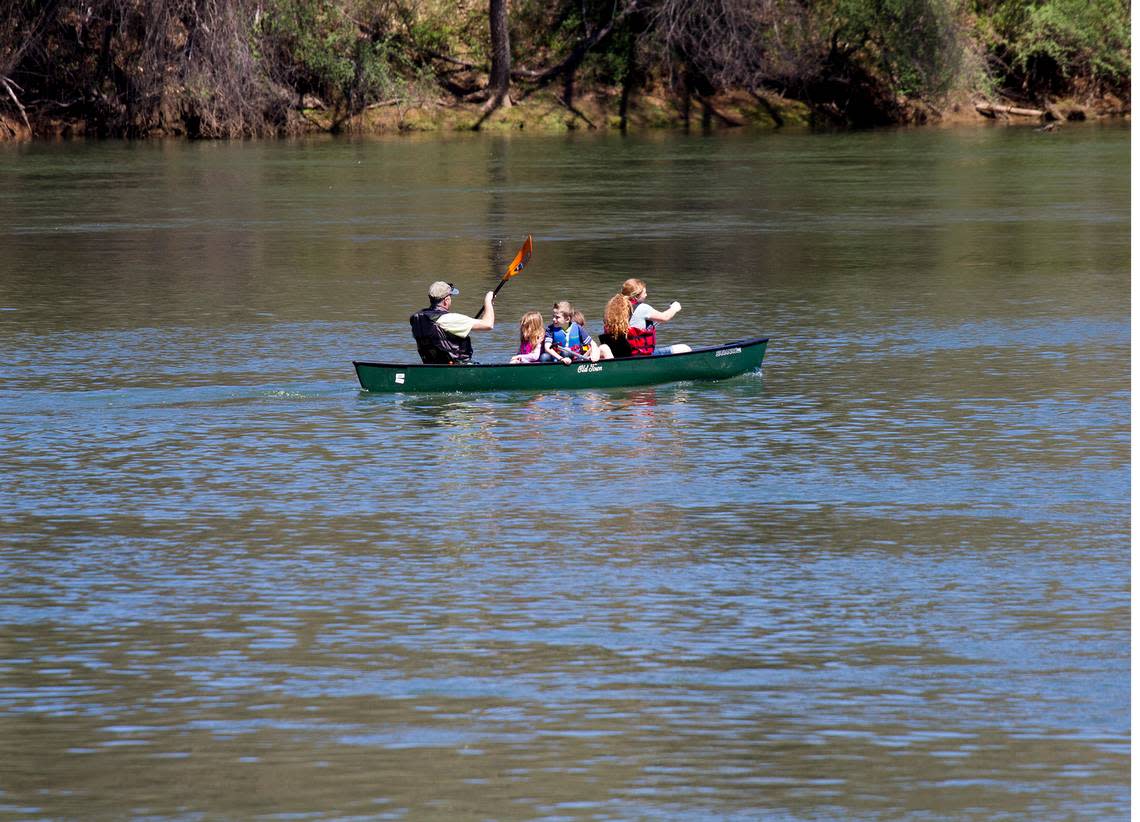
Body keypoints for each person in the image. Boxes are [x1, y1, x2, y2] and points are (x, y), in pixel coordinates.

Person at [601, 278, 691, 357]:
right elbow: (665, 317)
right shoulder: (643, 308)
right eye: (644, 293)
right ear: (636, 296)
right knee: (684, 348)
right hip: (639, 356)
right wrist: (674, 308)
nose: (646, 295)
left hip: (618, 355)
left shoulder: (611, 309)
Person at [409, 281, 495, 364]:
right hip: (458, 367)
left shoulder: (416, 318)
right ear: (446, 300)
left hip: (432, 366)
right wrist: (488, 301)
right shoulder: (450, 319)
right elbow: (488, 324)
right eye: (450, 296)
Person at [543, 300, 612, 365]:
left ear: (567, 319)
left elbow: (593, 344)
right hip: (558, 360)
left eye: (557, 317)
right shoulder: (550, 329)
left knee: (604, 348)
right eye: (553, 316)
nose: (553, 319)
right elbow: (547, 347)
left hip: (577, 360)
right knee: (544, 357)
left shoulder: (578, 328)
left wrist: (595, 354)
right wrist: (561, 359)